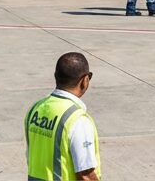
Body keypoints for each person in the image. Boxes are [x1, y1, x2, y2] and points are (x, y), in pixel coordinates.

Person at [25, 51, 100, 181]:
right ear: (85, 80)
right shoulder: (77, 119)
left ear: (56, 76)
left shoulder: (35, 110)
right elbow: (85, 174)